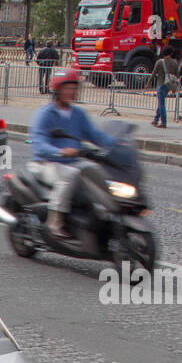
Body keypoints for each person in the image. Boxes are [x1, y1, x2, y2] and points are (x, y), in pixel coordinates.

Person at [28, 69, 117, 240]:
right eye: (67, 88)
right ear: (58, 90)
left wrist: (117, 144)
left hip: (73, 162)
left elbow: (94, 134)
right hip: (46, 163)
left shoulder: (78, 114)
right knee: (70, 176)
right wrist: (59, 151)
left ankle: (106, 214)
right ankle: (55, 222)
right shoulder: (45, 114)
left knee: (96, 171)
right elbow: (39, 143)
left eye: (74, 88)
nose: (71, 92)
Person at [151, 45, 178, 128]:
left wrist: (148, 82)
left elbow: (154, 73)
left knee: (161, 104)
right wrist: (175, 86)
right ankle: (156, 119)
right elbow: (176, 74)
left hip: (160, 83)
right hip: (168, 84)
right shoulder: (175, 62)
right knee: (161, 103)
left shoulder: (160, 62)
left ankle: (163, 122)